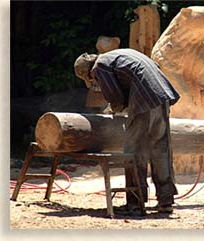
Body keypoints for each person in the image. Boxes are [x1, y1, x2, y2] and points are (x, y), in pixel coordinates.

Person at [74, 48, 180, 215]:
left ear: (88, 72)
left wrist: (114, 110)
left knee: (133, 152)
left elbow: (115, 97)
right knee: (160, 150)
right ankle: (165, 201)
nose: (94, 80)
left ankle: (135, 203)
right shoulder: (118, 55)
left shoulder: (99, 67)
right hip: (161, 97)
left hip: (144, 100)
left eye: (91, 79)